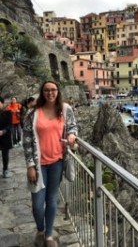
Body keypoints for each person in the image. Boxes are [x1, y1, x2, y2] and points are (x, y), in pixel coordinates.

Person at [22, 81, 78, 247]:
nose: (50, 93)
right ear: (42, 92)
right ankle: (40, 229)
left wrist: (72, 135)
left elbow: (73, 126)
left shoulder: (65, 109)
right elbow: (26, 141)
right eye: (46, 90)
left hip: (57, 162)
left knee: (51, 199)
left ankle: (48, 235)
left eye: (53, 90)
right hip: (38, 165)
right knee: (38, 203)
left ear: (58, 91)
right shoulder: (33, 113)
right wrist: (30, 165)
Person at [0, 96, 13, 178]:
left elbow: (10, 125)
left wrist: (3, 131)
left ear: (1, 103)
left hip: (5, 136)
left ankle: (5, 169)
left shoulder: (8, 112)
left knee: (5, 154)